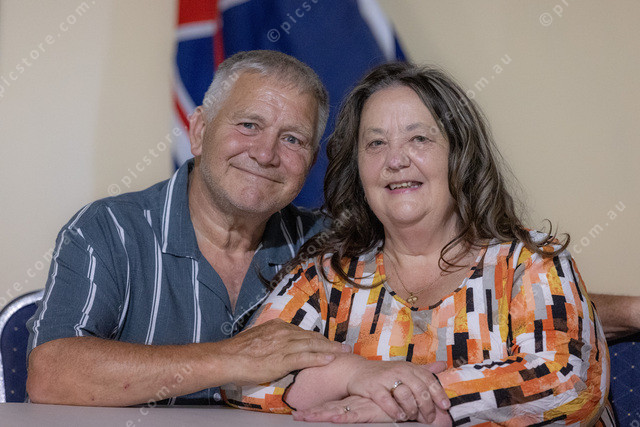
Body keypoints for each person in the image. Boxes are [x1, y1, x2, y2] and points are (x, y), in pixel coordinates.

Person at [222, 62, 613, 425]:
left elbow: (569, 382)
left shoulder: (531, 263)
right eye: (376, 144)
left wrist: (404, 400)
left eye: (419, 138)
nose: (395, 161)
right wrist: (351, 375)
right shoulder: (325, 278)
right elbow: (239, 381)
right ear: (357, 168)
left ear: (460, 155)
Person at [25, 50, 353, 406]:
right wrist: (233, 359)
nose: (265, 154)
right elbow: (51, 375)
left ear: (311, 162)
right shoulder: (108, 230)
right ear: (199, 131)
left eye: (292, 139)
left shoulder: (333, 245)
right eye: (248, 125)